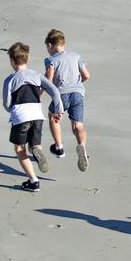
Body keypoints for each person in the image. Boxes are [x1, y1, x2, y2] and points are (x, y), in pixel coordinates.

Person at [2, 41, 63, 192]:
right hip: (37, 114)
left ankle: (33, 180)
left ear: (11, 61)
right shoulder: (36, 75)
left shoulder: (10, 79)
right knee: (34, 145)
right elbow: (54, 90)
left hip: (21, 115)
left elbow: (7, 103)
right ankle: (37, 150)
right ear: (27, 59)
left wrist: (12, 111)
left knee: (19, 148)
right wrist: (58, 108)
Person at [43, 29, 91, 171]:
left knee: (53, 117)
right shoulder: (76, 56)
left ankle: (59, 147)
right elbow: (86, 75)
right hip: (77, 93)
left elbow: (49, 81)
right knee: (78, 126)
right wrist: (77, 84)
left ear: (51, 46)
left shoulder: (51, 60)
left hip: (61, 94)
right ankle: (81, 146)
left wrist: (42, 92)